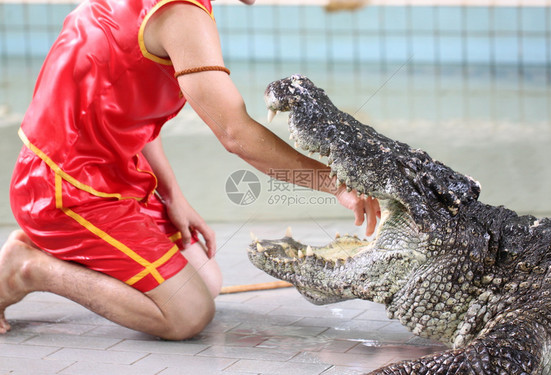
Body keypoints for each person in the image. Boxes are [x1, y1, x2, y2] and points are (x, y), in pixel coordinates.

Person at [0, 0, 380, 340]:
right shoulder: (181, 15)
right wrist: (336, 184)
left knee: (207, 282)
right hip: (67, 189)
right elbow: (235, 134)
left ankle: (51, 240)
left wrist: (173, 195)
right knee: (187, 314)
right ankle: (29, 268)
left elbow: (128, 110)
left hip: (113, 173)